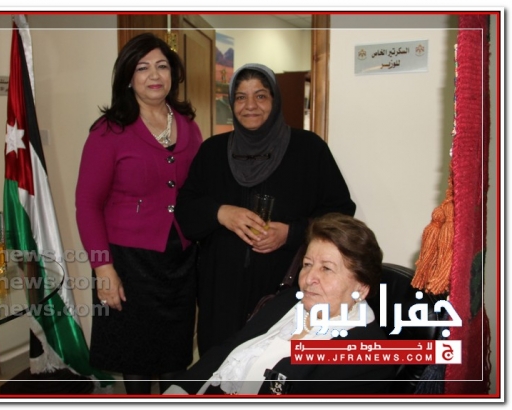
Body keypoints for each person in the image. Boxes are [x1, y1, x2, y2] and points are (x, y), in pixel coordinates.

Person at [175, 63, 356, 355]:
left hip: (284, 288)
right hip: (221, 291)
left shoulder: (308, 149)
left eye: (260, 96)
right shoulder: (212, 152)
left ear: (275, 100)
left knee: (270, 363)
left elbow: (340, 212)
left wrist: (291, 233)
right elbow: (186, 211)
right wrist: (221, 213)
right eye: (241, 97)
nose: (250, 106)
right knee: (219, 364)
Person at [75, 33, 203, 394]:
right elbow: (87, 204)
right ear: (128, 77)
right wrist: (103, 268)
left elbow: (198, 191)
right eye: (143, 67)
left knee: (176, 357)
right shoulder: (109, 130)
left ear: (173, 74)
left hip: (180, 262)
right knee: (136, 361)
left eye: (162, 66)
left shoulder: (189, 125)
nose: (154, 75)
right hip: (128, 264)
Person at [164, 213, 396, 395]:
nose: (309, 278)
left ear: (361, 287)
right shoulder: (289, 301)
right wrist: (179, 390)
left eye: (326, 268)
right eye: (307, 264)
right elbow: (229, 349)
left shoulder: (366, 358)